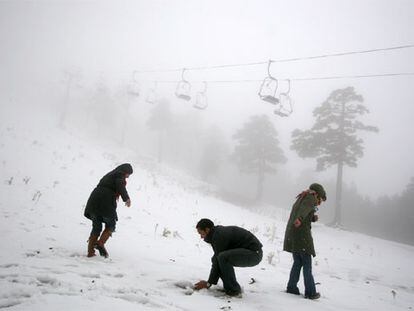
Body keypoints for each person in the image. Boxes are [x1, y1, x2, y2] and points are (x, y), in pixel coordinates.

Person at [194, 218, 263, 297]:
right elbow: (216, 259)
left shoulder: (219, 236)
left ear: (207, 229)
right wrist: (210, 282)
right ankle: (229, 288)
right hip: (251, 252)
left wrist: (208, 283)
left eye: (201, 233)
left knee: (222, 258)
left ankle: (233, 290)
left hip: (254, 254)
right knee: (219, 258)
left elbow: (218, 259)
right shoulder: (216, 234)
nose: (201, 237)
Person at [283, 183, 327, 300]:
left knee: (297, 262)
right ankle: (310, 292)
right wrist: (300, 219)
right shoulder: (310, 197)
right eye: (320, 199)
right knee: (307, 263)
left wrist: (312, 218)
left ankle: (291, 287)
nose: (319, 202)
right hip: (302, 236)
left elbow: (303, 210)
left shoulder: (303, 196)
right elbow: (303, 210)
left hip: (294, 234)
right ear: (317, 194)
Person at [84, 163, 133, 258]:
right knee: (111, 224)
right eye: (128, 174)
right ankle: (100, 243)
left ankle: (90, 252)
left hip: (94, 200)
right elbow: (120, 185)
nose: (128, 177)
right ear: (125, 171)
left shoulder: (110, 174)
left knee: (96, 226)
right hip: (105, 201)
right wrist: (126, 198)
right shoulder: (119, 175)